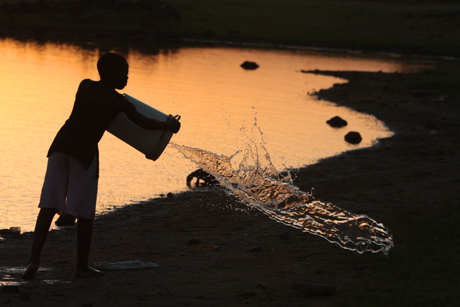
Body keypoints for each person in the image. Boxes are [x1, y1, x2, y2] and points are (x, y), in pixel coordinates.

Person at [22, 53, 180, 279]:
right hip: (84, 152)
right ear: (113, 74)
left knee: (48, 204)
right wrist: (169, 125)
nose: (127, 78)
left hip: (60, 145)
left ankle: (33, 261)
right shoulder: (119, 102)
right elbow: (144, 123)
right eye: (124, 73)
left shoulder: (84, 85)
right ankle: (81, 267)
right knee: (85, 212)